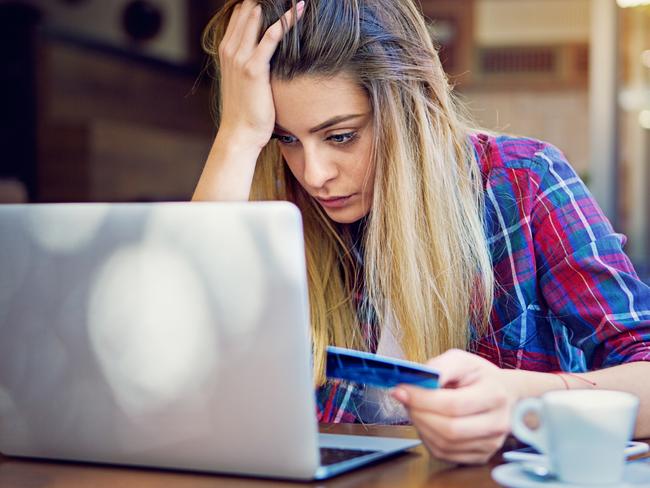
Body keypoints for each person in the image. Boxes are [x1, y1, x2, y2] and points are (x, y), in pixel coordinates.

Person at [192, 0, 650, 464]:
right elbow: (184, 365)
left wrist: (522, 399)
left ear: (413, 106)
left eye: (341, 136)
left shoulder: (523, 182)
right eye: (286, 139)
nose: (314, 174)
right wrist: (238, 134)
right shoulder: (281, 208)